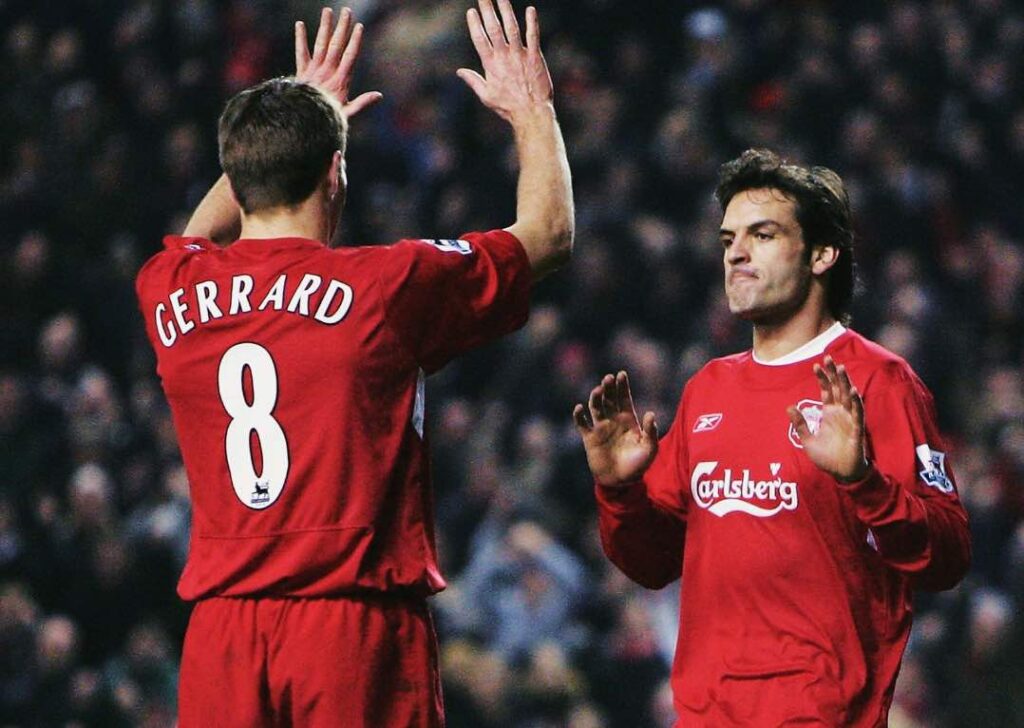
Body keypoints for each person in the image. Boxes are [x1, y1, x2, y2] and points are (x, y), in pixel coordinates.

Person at [134, 2, 572, 725]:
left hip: (223, 632)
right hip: (351, 627)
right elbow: (549, 235)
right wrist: (532, 109)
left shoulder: (169, 287)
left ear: (237, 181)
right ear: (335, 173)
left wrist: (291, 117)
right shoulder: (383, 287)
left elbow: (198, 234)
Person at [573, 148, 970, 727]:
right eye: (728, 239)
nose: (736, 252)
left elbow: (949, 557)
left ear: (822, 254)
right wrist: (620, 493)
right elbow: (653, 564)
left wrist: (864, 483)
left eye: (762, 235)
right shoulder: (709, 389)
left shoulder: (879, 381)